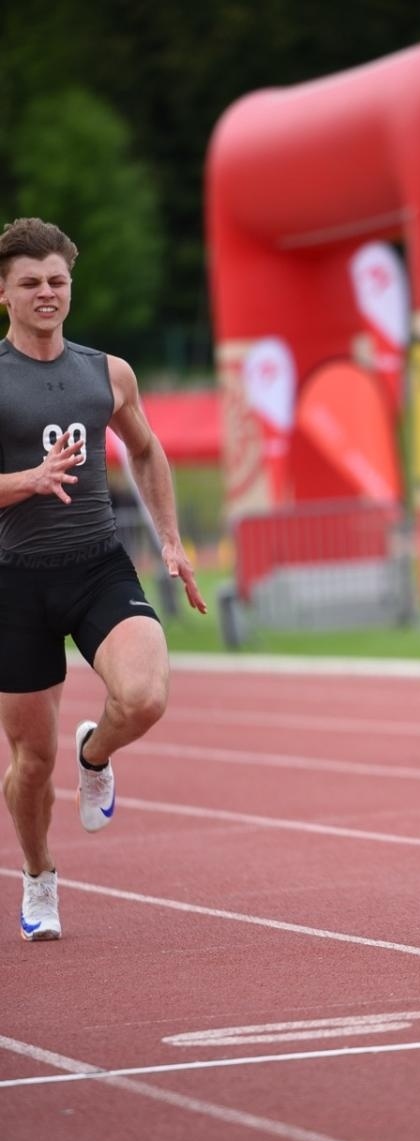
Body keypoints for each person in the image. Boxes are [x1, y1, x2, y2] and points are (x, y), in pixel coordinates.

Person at [0, 217, 207, 941]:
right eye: (30, 284)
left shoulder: (107, 372)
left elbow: (146, 452)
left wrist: (173, 541)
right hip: (14, 581)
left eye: (57, 281)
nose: (46, 294)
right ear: (5, 294)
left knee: (146, 696)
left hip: (96, 563)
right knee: (30, 761)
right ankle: (39, 877)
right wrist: (26, 479)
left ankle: (98, 754)